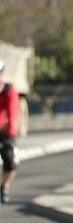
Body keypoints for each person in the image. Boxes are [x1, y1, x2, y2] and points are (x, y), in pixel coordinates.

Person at [0, 59, 20, 204]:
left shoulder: (9, 90)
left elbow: (13, 112)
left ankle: (4, 186)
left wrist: (11, 131)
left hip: (5, 131)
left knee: (10, 162)